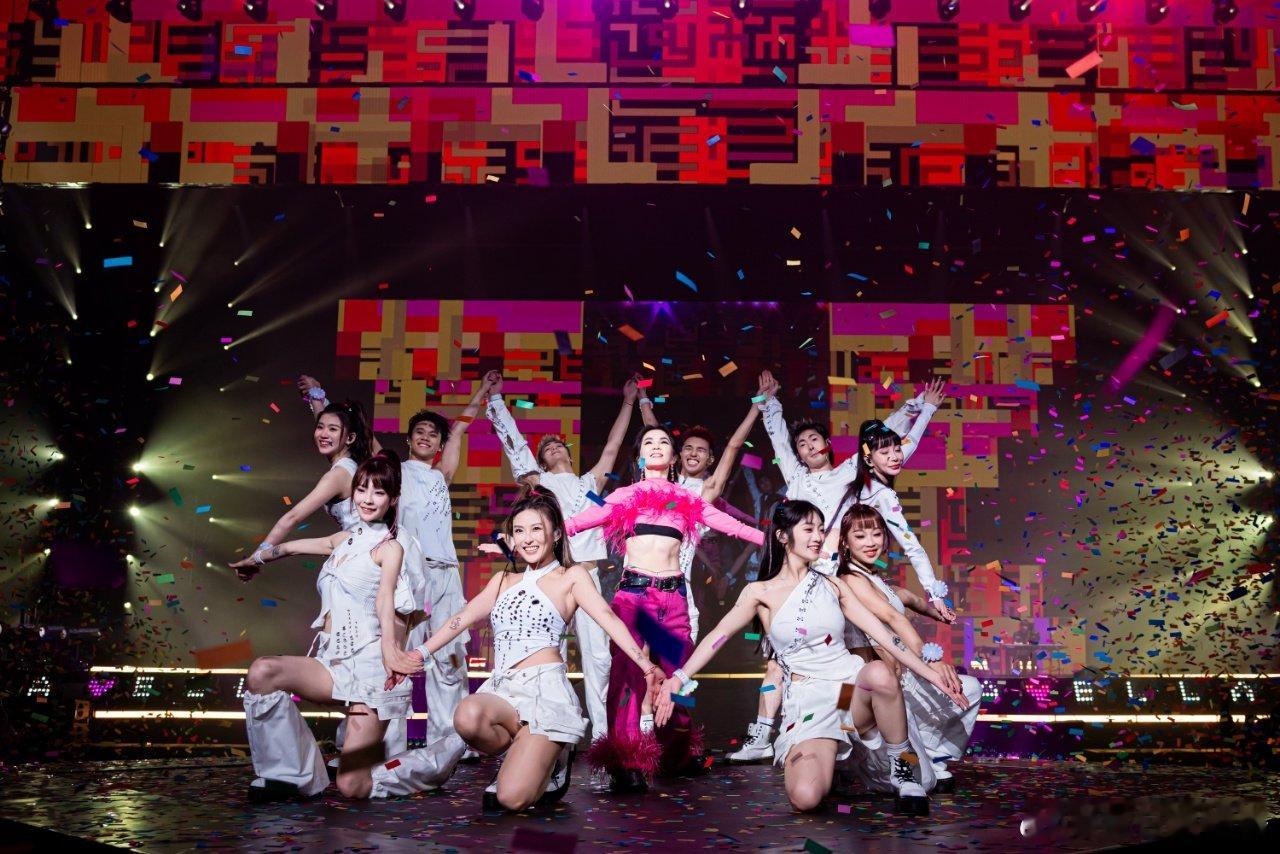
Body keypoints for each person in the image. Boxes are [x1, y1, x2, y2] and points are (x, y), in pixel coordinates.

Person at [654, 501, 968, 815]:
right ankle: (837, 763)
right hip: (809, 700)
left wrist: (932, 674)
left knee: (877, 673)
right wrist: (678, 678)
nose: (818, 536)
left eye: (820, 529)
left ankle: (902, 768)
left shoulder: (833, 585)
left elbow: (888, 638)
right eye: (809, 529)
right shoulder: (759, 592)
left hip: (848, 692)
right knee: (805, 797)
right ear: (782, 536)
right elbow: (718, 636)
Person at [371, 487, 664, 809]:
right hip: (504, 691)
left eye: (536, 529)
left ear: (555, 534)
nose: (528, 539)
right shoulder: (503, 580)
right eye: (520, 531)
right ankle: (524, 753)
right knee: (467, 716)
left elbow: (607, 617)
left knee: (510, 799)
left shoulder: (572, 576)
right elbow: (460, 618)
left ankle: (553, 760)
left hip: (546, 694)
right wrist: (417, 654)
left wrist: (646, 666)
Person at [728, 372, 952, 764]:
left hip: (836, 582)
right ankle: (762, 734)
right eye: (801, 444)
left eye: (814, 439)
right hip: (798, 580)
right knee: (778, 660)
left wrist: (920, 407)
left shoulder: (848, 474)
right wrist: (770, 403)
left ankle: (857, 735)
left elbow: (883, 445)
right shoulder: (795, 477)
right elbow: (778, 438)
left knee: (857, 659)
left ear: (827, 444)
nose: (807, 446)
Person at [299, 372, 496, 754]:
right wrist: (319, 399)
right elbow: (353, 432)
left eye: (433, 435)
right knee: (395, 656)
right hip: (409, 573)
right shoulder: (393, 471)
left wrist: (483, 391)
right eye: (419, 431)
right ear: (409, 438)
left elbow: (459, 429)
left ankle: (448, 743)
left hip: (446, 575)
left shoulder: (442, 474)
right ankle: (383, 745)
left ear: (439, 444)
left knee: (449, 658)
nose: (426, 437)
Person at [564, 425, 765, 793]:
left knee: (677, 678)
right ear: (640, 456)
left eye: (663, 442)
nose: (656, 446)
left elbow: (732, 526)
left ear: (673, 458)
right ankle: (626, 761)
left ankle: (674, 755)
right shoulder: (624, 495)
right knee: (628, 677)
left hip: (673, 601)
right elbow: (576, 523)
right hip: (633, 598)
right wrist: (517, 538)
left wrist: (781, 541)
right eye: (648, 442)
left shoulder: (688, 498)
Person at [230, 451, 423, 802]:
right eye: (361, 489)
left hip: (369, 673)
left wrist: (391, 652)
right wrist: (256, 559)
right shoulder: (342, 539)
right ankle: (292, 776)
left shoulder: (391, 547)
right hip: (331, 664)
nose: (367, 499)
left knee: (352, 786)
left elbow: (386, 600)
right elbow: (288, 548)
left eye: (378, 492)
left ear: (393, 499)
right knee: (262, 672)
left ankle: (432, 763)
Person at [485, 373, 645, 741]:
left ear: (570, 453)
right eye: (548, 448)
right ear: (541, 460)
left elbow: (613, 445)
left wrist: (628, 401)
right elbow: (516, 448)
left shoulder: (590, 483)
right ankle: (542, 731)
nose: (554, 448)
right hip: (550, 577)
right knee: (545, 654)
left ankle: (602, 737)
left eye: (559, 444)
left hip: (586, 577)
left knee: (598, 658)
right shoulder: (540, 484)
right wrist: (495, 402)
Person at [835, 503, 982, 793]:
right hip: (856, 693)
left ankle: (929, 754)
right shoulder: (848, 579)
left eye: (877, 534)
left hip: (898, 683)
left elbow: (906, 599)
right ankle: (863, 766)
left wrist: (938, 610)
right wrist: (931, 660)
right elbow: (893, 617)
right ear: (845, 542)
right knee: (923, 782)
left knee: (969, 688)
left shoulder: (875, 579)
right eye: (860, 536)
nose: (870, 542)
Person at [636, 376, 764, 640]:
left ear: (710, 459)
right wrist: (642, 398)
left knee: (680, 655)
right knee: (641, 656)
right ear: (677, 455)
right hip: (642, 580)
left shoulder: (707, 490)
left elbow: (734, 446)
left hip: (679, 584)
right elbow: (653, 433)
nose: (694, 453)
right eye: (688, 448)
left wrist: (757, 405)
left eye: (701, 450)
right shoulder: (662, 481)